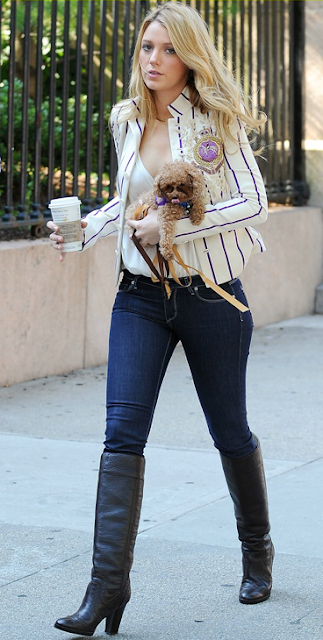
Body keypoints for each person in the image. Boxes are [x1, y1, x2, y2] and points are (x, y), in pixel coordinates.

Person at [47, 2, 274, 636]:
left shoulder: (214, 124)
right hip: (139, 298)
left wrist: (177, 221)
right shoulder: (128, 120)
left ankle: (257, 553)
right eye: (147, 47)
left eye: (167, 50)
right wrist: (85, 230)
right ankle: (106, 591)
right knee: (121, 435)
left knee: (230, 431)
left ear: (189, 57)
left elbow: (253, 202)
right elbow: (128, 201)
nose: (153, 60)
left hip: (210, 296)